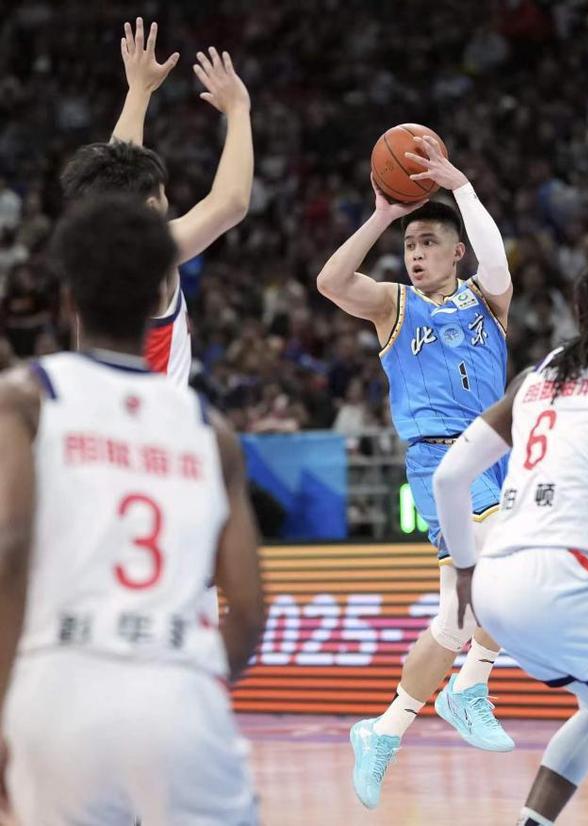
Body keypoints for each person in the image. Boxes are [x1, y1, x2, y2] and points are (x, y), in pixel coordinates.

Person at [0, 193, 264, 824]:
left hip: (60, 684)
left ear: (67, 301)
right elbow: (250, 612)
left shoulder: (27, 398)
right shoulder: (211, 429)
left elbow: (8, 545)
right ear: (158, 297)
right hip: (175, 683)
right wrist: (192, 680)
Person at [317, 134, 514, 809]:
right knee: (509, 559)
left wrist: (461, 187)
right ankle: (470, 686)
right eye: (410, 246)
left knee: (456, 619)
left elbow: (497, 259)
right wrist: (382, 216)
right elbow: (330, 283)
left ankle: (384, 729)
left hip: (494, 454)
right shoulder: (395, 305)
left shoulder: (489, 300)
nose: (416, 254)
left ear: (458, 251)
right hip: (439, 460)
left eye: (429, 242)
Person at [433, 258, 588, 826]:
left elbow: (449, 477)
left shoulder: (533, 379)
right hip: (566, 579)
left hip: (495, 587)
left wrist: (465, 571)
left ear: (578, 313)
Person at [60, 17, 254, 387]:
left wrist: (140, 90)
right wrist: (238, 111)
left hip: (92, 407)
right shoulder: (147, 257)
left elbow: (116, 171)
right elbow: (230, 203)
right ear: (151, 208)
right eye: (164, 193)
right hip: (145, 415)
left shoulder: (89, 249)